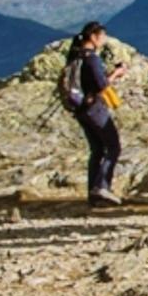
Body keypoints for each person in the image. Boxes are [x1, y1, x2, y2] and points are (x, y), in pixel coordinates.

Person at [58, 21, 124, 205]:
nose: (104, 40)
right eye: (102, 36)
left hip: (80, 109)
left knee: (97, 149)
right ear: (94, 37)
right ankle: (102, 187)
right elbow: (101, 85)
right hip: (95, 107)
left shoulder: (75, 56)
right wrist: (116, 74)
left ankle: (93, 194)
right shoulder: (92, 58)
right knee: (113, 147)